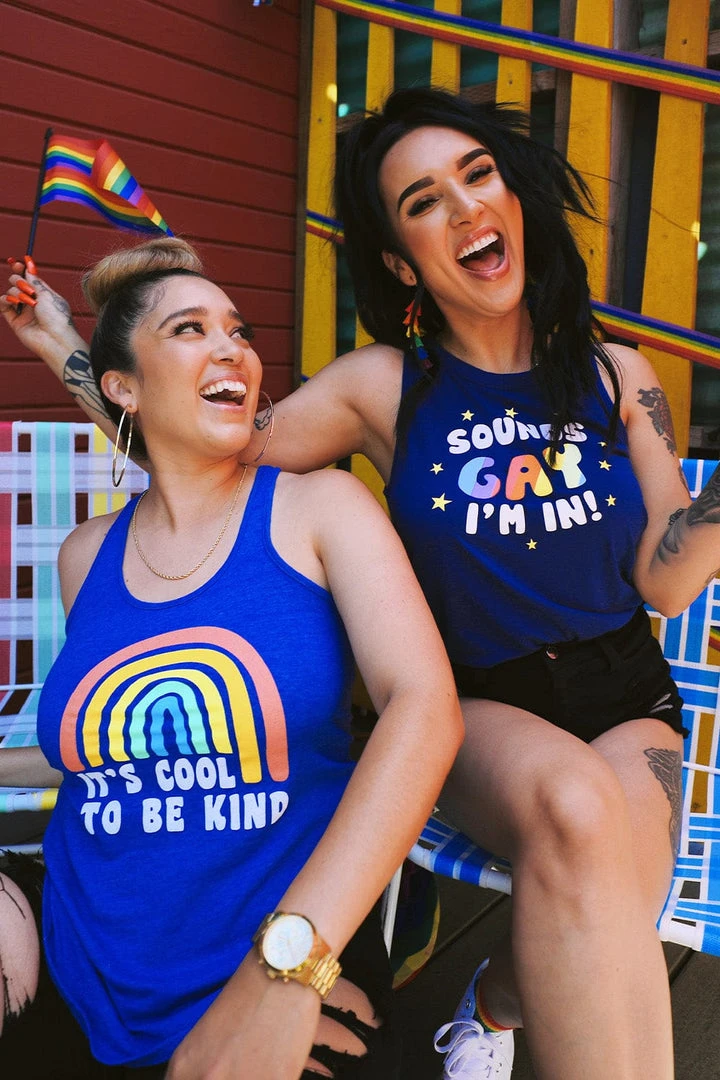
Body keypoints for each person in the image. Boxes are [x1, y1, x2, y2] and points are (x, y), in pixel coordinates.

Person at [3, 85, 717, 1080]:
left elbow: (667, 580)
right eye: (423, 201)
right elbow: (204, 440)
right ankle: (497, 1004)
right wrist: (66, 348)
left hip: (625, 694)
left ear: (514, 200)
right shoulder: (382, 383)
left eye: (477, 175)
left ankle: (494, 999)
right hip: (484, 697)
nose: (464, 207)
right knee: (579, 817)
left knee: (612, 914)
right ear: (400, 260)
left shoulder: (617, 375)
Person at [0, 235, 464, 1079]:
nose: (233, 348)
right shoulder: (85, 555)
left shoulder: (320, 509)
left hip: (273, 948)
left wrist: (289, 964)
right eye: (190, 329)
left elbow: (424, 708)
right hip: (73, 941)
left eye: (239, 331)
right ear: (121, 387)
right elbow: (119, 748)